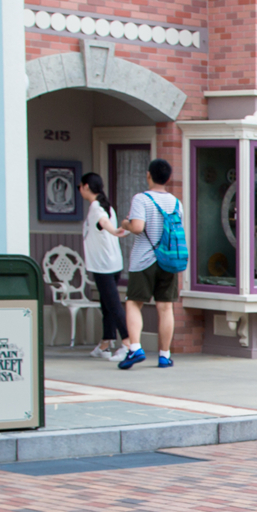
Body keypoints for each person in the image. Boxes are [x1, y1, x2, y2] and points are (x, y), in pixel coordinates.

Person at [120, 158, 183, 370]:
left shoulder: (142, 199)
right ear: (168, 178)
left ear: (148, 175)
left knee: (133, 302)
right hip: (169, 259)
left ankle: (135, 348)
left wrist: (125, 223)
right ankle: (165, 355)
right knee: (165, 307)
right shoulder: (176, 202)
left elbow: (138, 227)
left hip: (144, 260)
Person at [78, 173, 129, 361]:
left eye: (79, 186)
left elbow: (103, 221)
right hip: (112, 263)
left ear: (85, 186)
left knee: (113, 305)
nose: (79, 190)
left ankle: (128, 344)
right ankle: (105, 344)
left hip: (103, 266)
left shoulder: (96, 207)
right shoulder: (106, 206)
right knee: (107, 304)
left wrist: (114, 231)